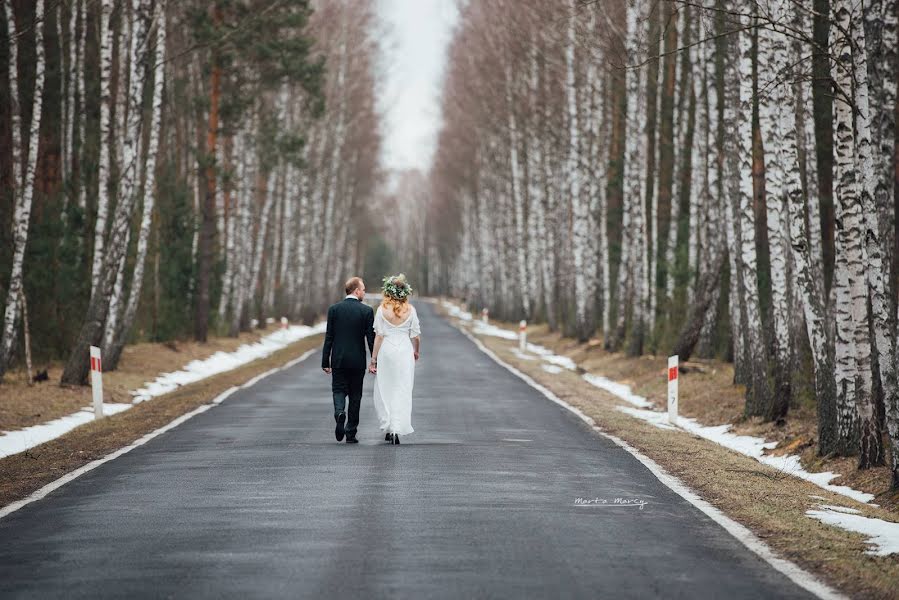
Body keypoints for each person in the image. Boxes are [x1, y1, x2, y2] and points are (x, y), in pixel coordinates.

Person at [322, 277, 375, 444]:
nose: (364, 292)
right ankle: (350, 432)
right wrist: (374, 360)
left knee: (338, 390)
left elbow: (329, 337)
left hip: (338, 359)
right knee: (355, 395)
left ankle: (339, 412)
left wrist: (325, 360)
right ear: (356, 291)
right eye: (363, 289)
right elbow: (371, 338)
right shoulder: (366, 311)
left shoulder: (334, 310)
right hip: (357, 360)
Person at [369, 274, 421, 445]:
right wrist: (416, 352)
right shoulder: (411, 310)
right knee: (402, 388)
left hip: (387, 351)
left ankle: (389, 424)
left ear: (388, 292)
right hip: (405, 351)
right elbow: (416, 336)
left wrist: (373, 359)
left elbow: (378, 336)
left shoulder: (382, 310)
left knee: (385, 387)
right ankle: (397, 427)